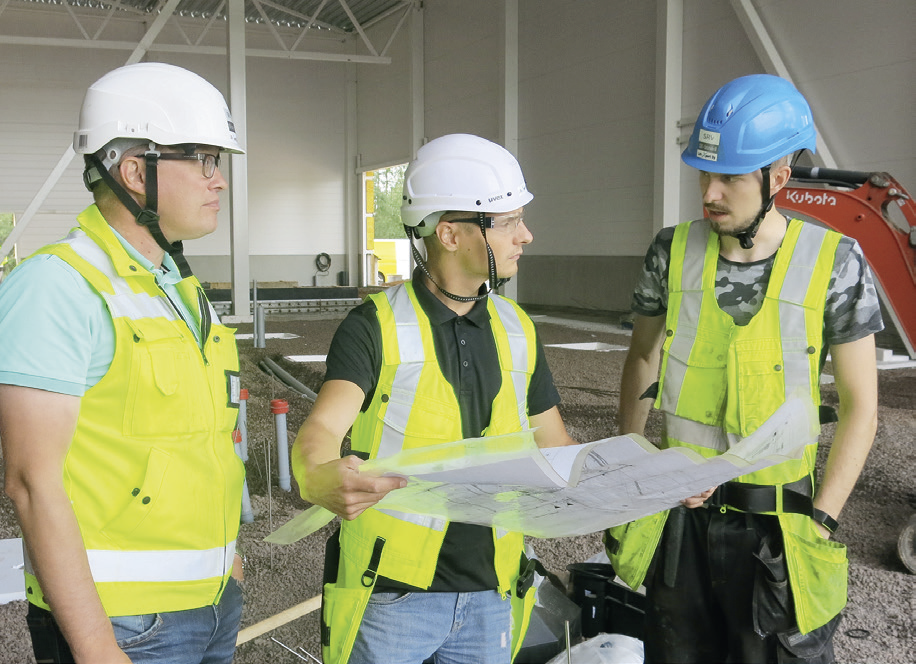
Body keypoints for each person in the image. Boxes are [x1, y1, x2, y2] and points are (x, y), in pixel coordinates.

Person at [608, 74, 882, 664]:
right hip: (681, 525)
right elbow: (642, 357)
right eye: (704, 174)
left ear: (777, 178)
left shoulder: (835, 262)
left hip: (779, 531)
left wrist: (823, 520)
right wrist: (632, 466)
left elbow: (861, 406)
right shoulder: (670, 251)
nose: (709, 193)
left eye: (729, 178)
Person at [291, 133, 576, 664]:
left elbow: (557, 448)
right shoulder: (374, 327)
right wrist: (316, 474)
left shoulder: (518, 328)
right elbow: (322, 431)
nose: (526, 235)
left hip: (494, 590)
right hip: (394, 596)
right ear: (449, 233)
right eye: (508, 222)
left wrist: (650, 484)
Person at [0, 62, 246, 664]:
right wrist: (94, 646)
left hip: (212, 604)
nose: (219, 180)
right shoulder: (57, 287)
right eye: (203, 160)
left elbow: (201, 442)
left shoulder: (180, 289)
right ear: (136, 171)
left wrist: (230, 565)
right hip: (124, 624)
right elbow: (31, 483)